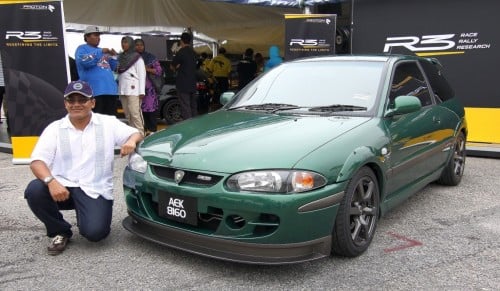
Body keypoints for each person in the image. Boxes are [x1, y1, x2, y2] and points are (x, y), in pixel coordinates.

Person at [24, 80, 143, 256]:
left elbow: (136, 133)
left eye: (82, 100)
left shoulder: (108, 123)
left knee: (95, 234)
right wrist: (51, 182)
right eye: (71, 100)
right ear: (65, 104)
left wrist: (131, 141)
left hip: (94, 189)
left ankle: (87, 215)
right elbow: (37, 161)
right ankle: (59, 230)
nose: (76, 104)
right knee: (34, 190)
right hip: (62, 187)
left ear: (92, 102)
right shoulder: (55, 128)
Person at [75, 26, 119, 116]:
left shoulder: (102, 50)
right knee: (97, 121)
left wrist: (114, 56)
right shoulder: (81, 49)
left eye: (99, 35)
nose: (98, 38)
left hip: (111, 91)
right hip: (94, 91)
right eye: (95, 35)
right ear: (86, 37)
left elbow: (115, 67)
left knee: (111, 120)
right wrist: (100, 52)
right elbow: (84, 61)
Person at [117, 36, 146, 136]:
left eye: (126, 42)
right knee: (128, 115)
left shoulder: (137, 57)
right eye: (122, 42)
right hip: (123, 89)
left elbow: (142, 75)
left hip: (134, 90)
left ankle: (141, 135)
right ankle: (133, 135)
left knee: (135, 114)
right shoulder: (120, 57)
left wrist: (142, 91)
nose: (123, 44)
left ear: (130, 44)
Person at [134, 38, 162, 135]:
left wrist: (147, 69)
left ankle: (153, 133)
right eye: (137, 45)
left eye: (141, 44)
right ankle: (142, 134)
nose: (139, 47)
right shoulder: (131, 57)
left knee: (150, 113)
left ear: (144, 46)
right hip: (135, 90)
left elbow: (159, 71)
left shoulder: (150, 57)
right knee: (139, 114)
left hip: (149, 90)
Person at [170, 32, 198, 120]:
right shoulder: (194, 53)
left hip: (183, 84)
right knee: (193, 106)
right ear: (190, 41)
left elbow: (172, 66)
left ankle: (189, 127)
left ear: (181, 41)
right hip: (193, 83)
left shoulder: (181, 52)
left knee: (185, 107)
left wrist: (177, 68)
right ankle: (195, 126)